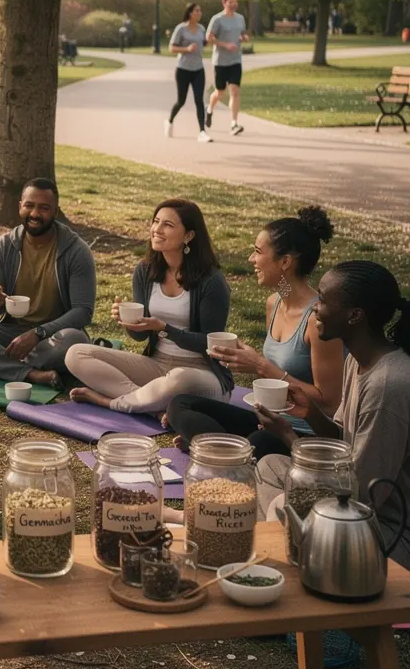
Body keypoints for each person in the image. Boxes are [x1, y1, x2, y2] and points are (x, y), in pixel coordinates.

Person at [253, 261, 410, 569]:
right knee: (270, 466)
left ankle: (286, 573)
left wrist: (288, 436)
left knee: (284, 503)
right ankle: (287, 556)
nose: (316, 309)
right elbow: (344, 443)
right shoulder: (357, 361)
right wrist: (311, 414)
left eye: (323, 300)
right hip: (353, 507)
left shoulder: (388, 385)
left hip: (387, 531)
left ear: (355, 316)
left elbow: (362, 496)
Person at [167, 206, 344, 457]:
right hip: (267, 421)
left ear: (284, 262)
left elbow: (329, 402)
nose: (251, 259)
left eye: (258, 252)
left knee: (258, 441)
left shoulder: (317, 321)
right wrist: (243, 361)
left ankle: (215, 447)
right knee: (180, 404)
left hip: (302, 435)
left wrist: (261, 366)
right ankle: (218, 446)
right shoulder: (274, 302)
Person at [65, 198, 233, 414]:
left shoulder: (211, 281)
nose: (157, 230)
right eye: (156, 221)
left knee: (178, 379)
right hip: (157, 366)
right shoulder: (145, 271)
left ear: (189, 236)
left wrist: (164, 329)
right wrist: (130, 324)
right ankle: (148, 404)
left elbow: (211, 343)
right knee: (76, 354)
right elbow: (140, 337)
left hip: (200, 373)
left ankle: (110, 401)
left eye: (168, 225)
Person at [0, 178, 95, 388]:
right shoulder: (3, 246)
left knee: (75, 342)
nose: (35, 214)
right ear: (20, 207)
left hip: (54, 335)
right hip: (12, 332)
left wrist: (38, 333)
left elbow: (83, 312)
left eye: (44, 208)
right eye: (29, 205)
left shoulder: (76, 251)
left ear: (55, 212)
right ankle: (33, 374)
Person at [165, 3, 212, 143]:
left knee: (199, 100)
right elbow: (171, 48)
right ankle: (170, 121)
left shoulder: (202, 29)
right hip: (183, 69)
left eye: (200, 10)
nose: (200, 13)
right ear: (190, 13)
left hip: (198, 69)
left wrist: (207, 42)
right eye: (197, 10)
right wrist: (187, 49)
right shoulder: (181, 28)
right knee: (181, 101)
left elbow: (203, 43)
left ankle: (202, 132)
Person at [205, 0, 249, 136]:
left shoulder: (240, 18)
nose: (233, 4)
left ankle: (233, 124)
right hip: (221, 61)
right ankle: (209, 110)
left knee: (235, 91)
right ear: (224, 3)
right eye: (230, 2)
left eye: (235, 2)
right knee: (220, 92)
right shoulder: (217, 19)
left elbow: (242, 33)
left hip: (235, 60)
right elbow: (209, 37)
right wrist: (225, 45)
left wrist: (244, 37)